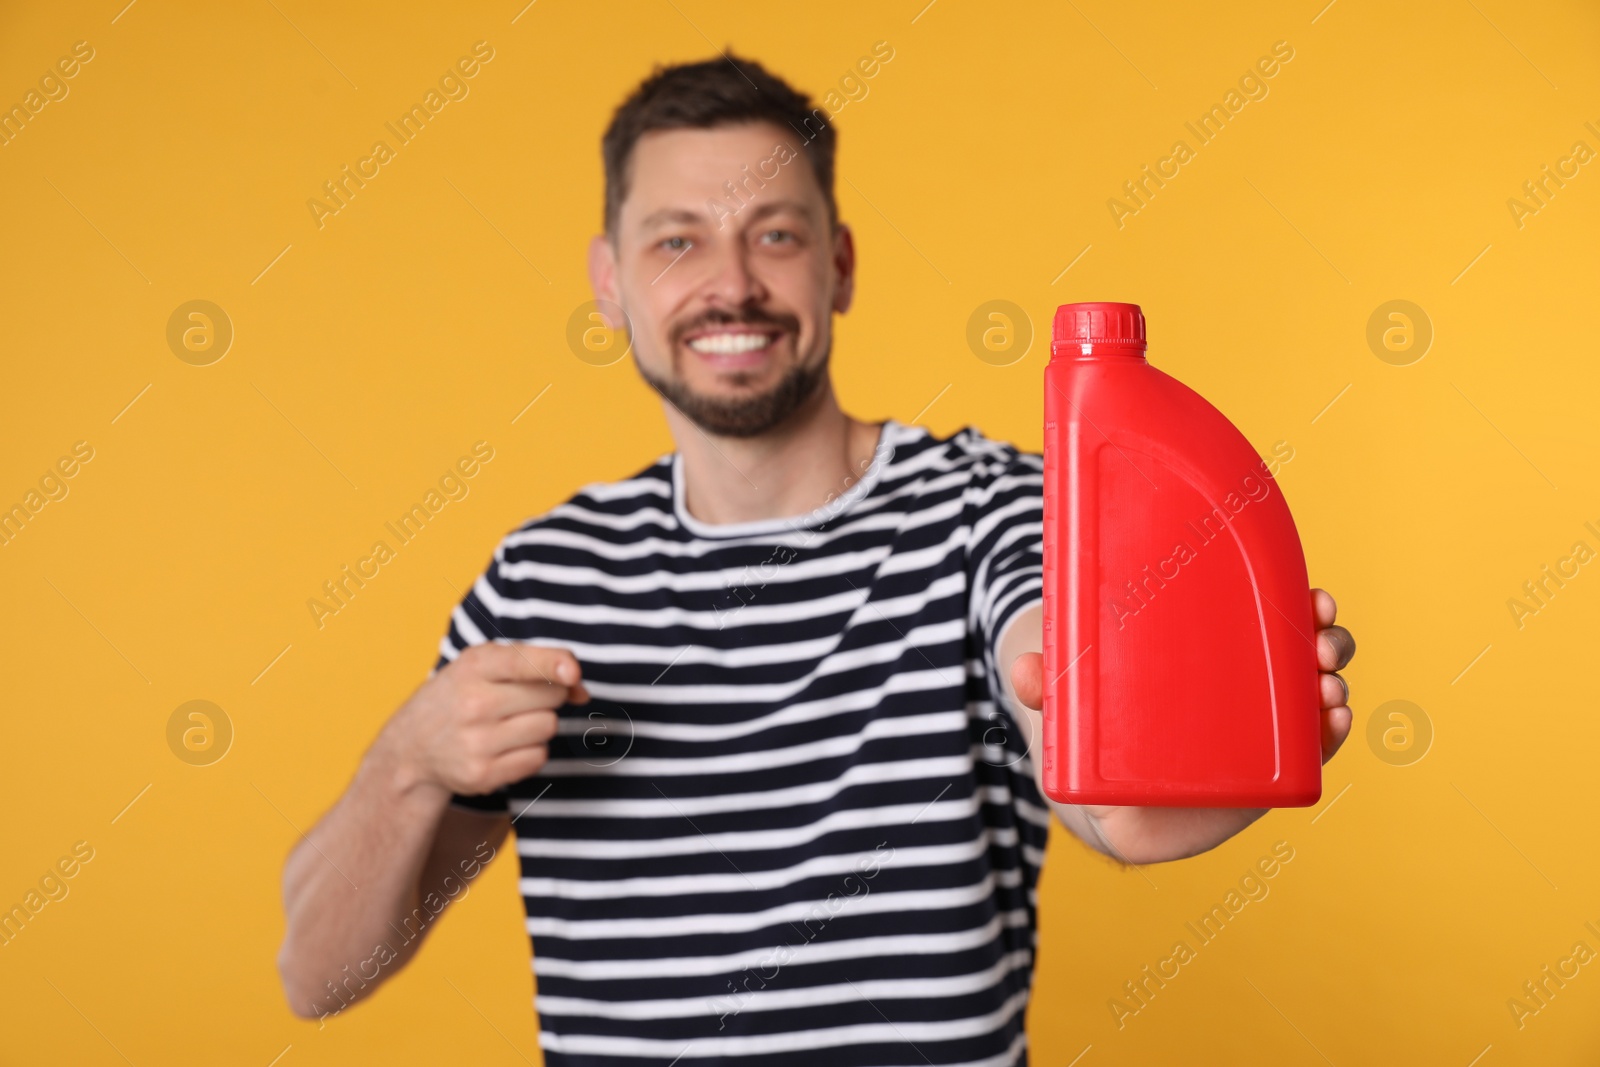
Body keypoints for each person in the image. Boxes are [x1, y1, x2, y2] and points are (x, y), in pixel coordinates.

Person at [276, 51, 1357, 1066]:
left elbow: (1113, 801)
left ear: (838, 265)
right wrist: (406, 762)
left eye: (776, 234)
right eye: (676, 239)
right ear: (609, 282)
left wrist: (1248, 728)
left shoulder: (991, 513)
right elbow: (324, 975)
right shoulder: (543, 580)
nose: (731, 283)